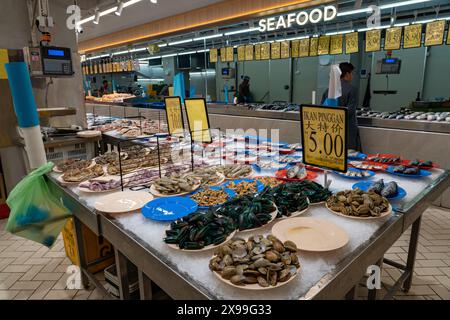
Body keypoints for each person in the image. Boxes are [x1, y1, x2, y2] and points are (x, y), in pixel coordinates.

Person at [322, 62, 360, 151]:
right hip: (346, 130)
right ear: (347, 74)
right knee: (349, 155)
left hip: (330, 130)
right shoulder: (352, 89)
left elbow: (322, 110)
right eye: (352, 73)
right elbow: (350, 111)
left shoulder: (328, 90)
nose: (352, 76)